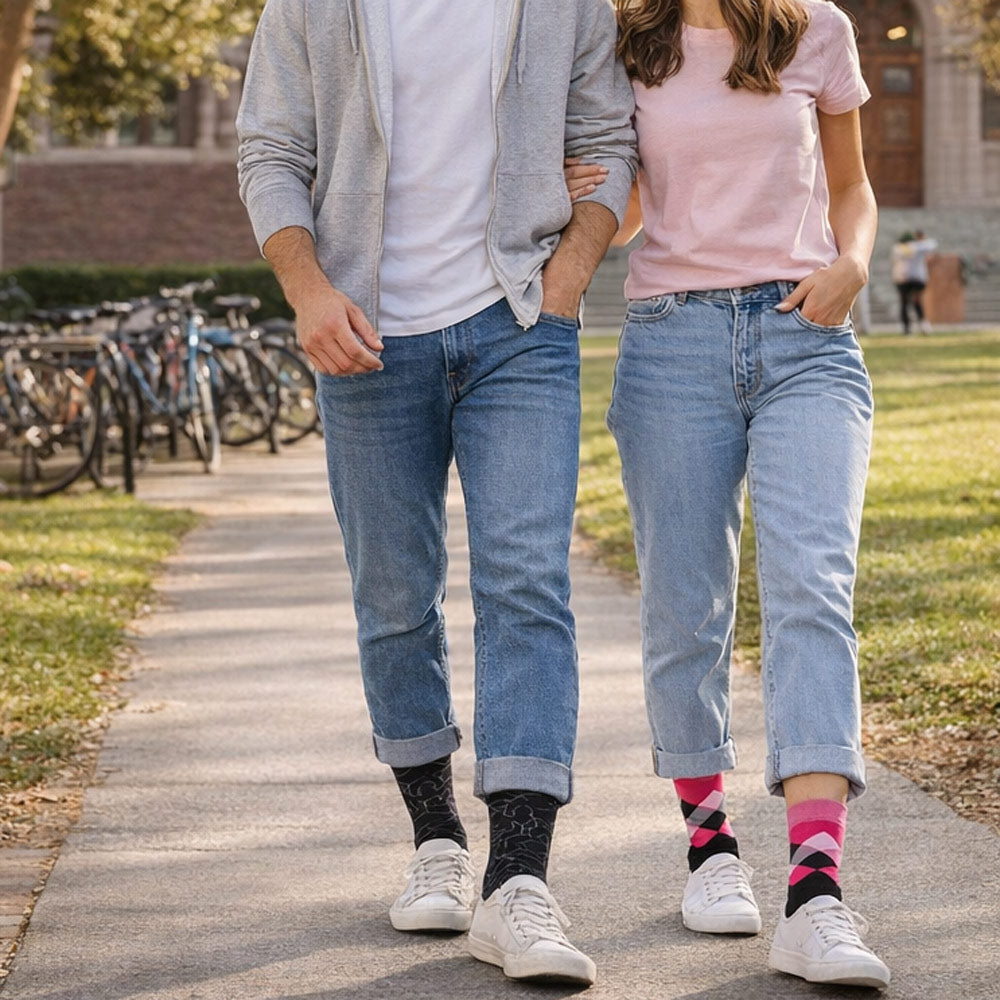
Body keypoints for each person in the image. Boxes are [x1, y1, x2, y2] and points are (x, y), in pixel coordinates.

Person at [236, 0, 636, 987]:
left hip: (519, 328)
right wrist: (308, 291)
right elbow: (271, 150)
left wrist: (569, 275)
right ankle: (436, 839)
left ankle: (519, 878)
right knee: (393, 592)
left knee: (526, 583)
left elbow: (607, 142)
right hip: (366, 334)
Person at [567, 0, 890, 988]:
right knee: (685, 604)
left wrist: (853, 264)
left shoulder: (815, 29)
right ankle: (710, 847)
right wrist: (581, 187)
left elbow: (852, 187)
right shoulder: (626, 42)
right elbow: (628, 214)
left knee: (812, 589)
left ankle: (816, 893)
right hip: (673, 345)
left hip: (807, 338)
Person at [891, 230, 938, 334]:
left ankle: (908, 328)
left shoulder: (898, 248)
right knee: (916, 302)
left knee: (905, 303)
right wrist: (920, 240)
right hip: (915, 278)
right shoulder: (918, 246)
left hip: (904, 278)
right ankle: (921, 325)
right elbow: (932, 244)